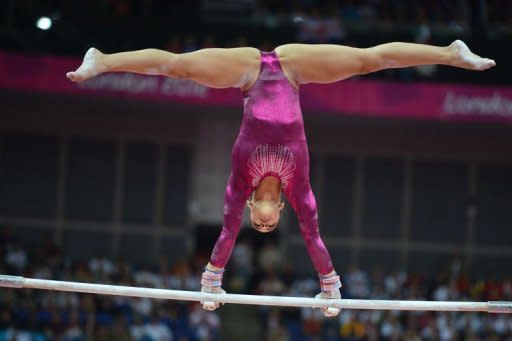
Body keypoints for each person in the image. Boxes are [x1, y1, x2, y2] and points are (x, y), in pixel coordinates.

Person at [67, 40, 495, 316]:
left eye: (261, 223)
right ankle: (103, 60)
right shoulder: (300, 189)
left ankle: (449, 52)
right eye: (271, 226)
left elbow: (226, 235)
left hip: (248, 71)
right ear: (281, 208)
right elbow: (313, 236)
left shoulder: (239, 185)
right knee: (366, 61)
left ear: (253, 205)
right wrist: (330, 289)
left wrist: (211, 281)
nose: (265, 224)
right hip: (292, 69)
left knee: (179, 67)